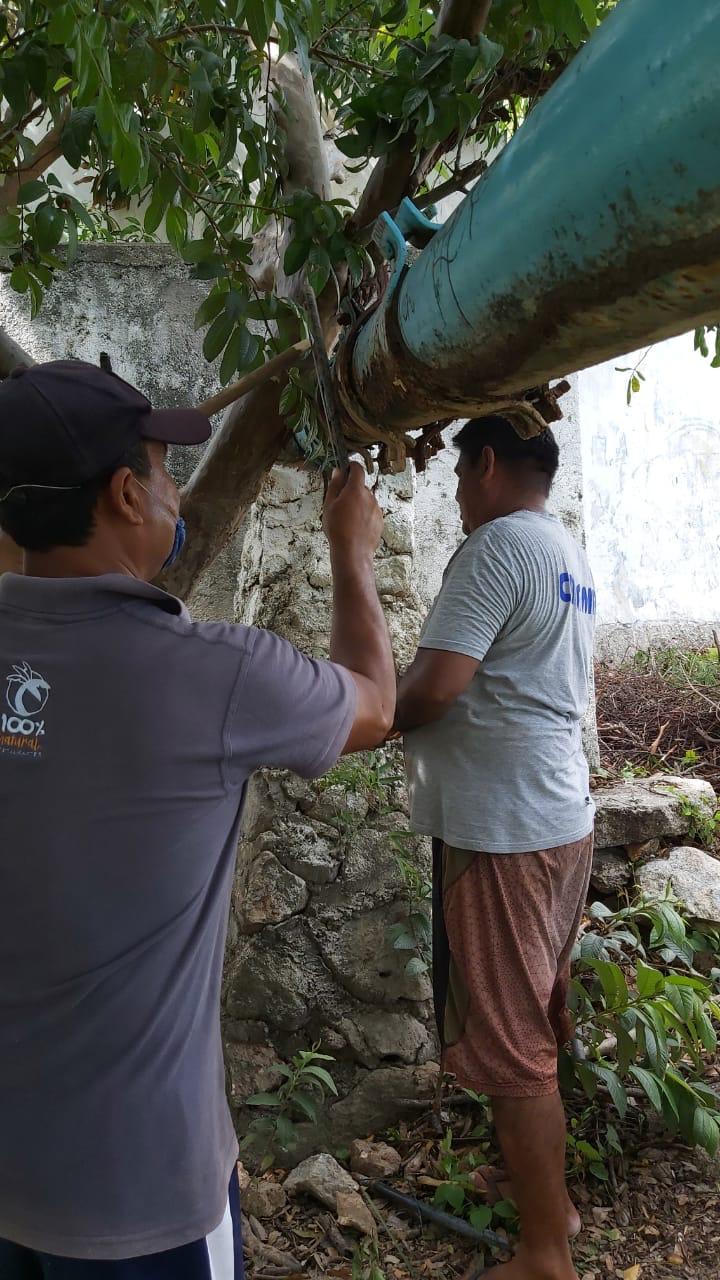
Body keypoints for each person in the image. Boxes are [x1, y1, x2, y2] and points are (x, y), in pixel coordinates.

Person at [0, 359, 395, 1278]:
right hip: (142, 1198)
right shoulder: (214, 673)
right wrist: (353, 552)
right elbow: (376, 704)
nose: (179, 492)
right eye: (166, 471)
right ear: (127, 495)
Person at [396, 415, 596, 1280]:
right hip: (556, 816)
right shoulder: (566, 552)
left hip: (506, 829)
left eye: (455, 472)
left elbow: (438, 686)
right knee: (528, 1014)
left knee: (515, 1040)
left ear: (485, 463)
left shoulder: (494, 550)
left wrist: (361, 713)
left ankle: (546, 1250)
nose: (452, 491)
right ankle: (532, 1190)